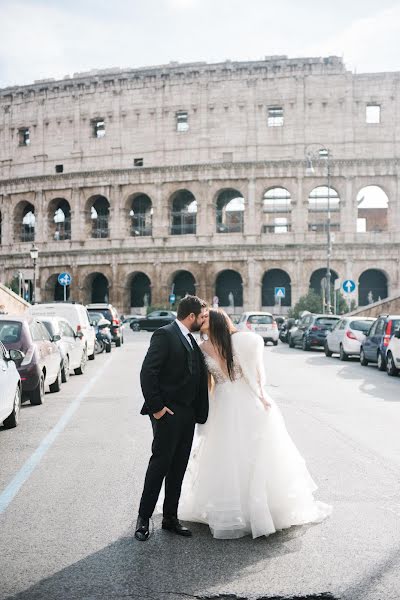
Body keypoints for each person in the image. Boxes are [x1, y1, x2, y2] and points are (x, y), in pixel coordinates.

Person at [178, 308, 332, 539]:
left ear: (218, 320)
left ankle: (257, 509)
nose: (202, 320)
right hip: (226, 402)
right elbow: (213, 380)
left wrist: (260, 395)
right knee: (227, 455)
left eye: (207, 317)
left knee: (249, 453)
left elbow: (253, 373)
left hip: (237, 399)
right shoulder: (209, 346)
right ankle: (234, 508)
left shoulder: (233, 342)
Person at [135, 295, 209, 541]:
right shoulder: (165, 334)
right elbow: (148, 372)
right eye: (201, 317)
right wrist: (157, 408)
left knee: (178, 468)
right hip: (167, 413)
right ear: (191, 317)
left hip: (187, 414)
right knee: (159, 466)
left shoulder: (191, 339)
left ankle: (170, 517)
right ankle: (143, 519)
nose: (202, 321)